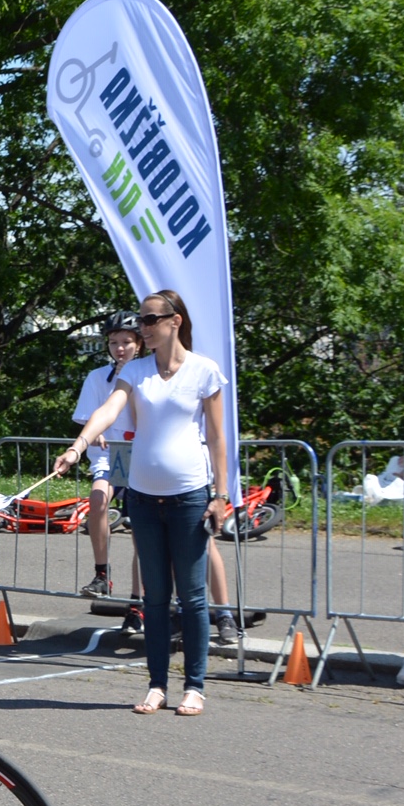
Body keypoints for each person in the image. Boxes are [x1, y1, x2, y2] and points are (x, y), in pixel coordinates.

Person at [56, 290, 233, 715]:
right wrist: (78, 447)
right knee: (154, 598)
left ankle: (195, 685)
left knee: (191, 598)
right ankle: (157, 685)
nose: (144, 328)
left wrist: (221, 495)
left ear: (175, 321)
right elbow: (108, 411)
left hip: (189, 495)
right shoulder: (135, 372)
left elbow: (218, 438)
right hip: (144, 496)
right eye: (142, 320)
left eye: (152, 320)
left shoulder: (204, 371)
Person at [75, 312, 141, 600]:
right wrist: (94, 433)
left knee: (141, 521)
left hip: (143, 456)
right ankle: (102, 574)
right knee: (98, 500)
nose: (120, 348)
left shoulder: (148, 375)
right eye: (114, 342)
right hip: (110, 455)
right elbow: (88, 416)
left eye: (127, 341)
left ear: (140, 343)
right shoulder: (98, 377)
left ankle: (144, 589)